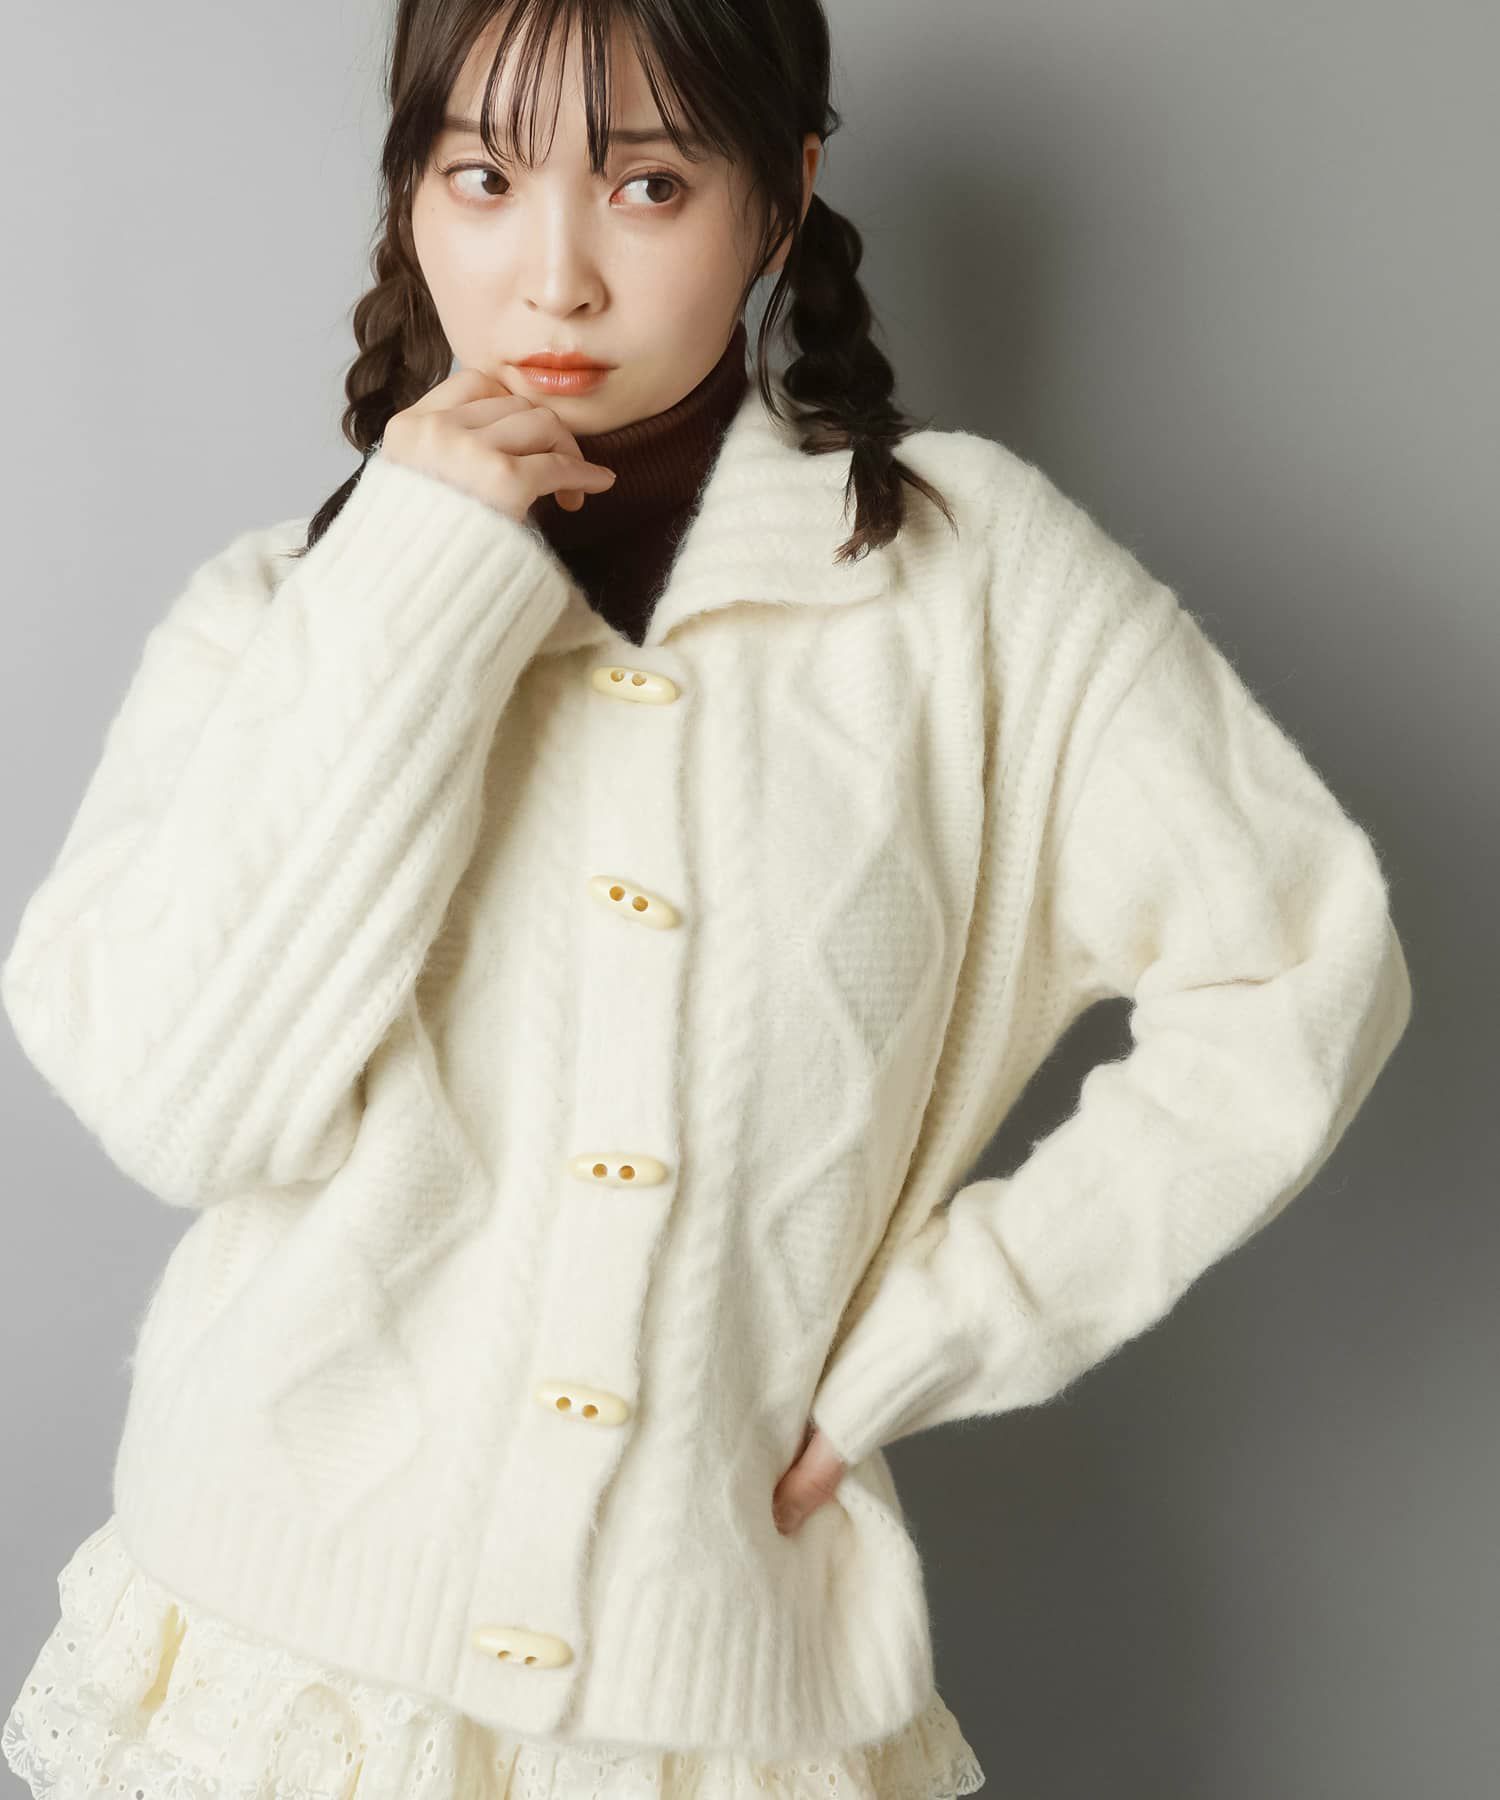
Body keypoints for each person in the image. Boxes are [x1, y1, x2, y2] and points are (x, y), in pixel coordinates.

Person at [1, 0, 1413, 1796]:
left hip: (719, 1692)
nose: (555, 276)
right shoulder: (279, 612)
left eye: (648, 185)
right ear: (410, 196)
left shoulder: (965, 582)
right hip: (272, 1680)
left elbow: (1298, 963)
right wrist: (417, 576)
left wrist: (951, 1325)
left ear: (783, 193)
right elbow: (181, 1105)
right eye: (484, 179)